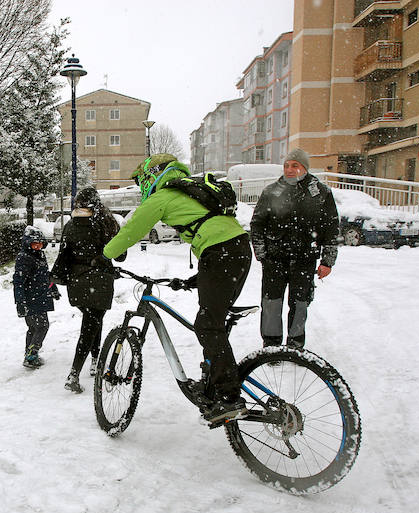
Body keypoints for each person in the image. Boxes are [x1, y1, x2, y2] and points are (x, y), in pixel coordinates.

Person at [101, 153, 252, 424]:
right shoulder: (187, 192)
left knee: (207, 325)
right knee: (212, 321)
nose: (141, 188)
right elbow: (214, 229)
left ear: (152, 176)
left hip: (221, 252)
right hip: (235, 250)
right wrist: (195, 279)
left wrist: (105, 254)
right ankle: (214, 384)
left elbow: (131, 231)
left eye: (142, 181)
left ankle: (229, 398)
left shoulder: (164, 196)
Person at [250, 148, 339, 349]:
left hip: (304, 259)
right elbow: (257, 224)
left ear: (304, 167)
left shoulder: (321, 193)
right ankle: (271, 344)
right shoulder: (272, 191)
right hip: (274, 259)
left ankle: (295, 344)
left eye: (295, 165)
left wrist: (327, 261)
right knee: (271, 303)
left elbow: (331, 229)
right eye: (286, 165)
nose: (289, 170)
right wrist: (262, 253)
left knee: (300, 304)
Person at [58, 188, 123, 393]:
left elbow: (64, 253)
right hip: (99, 280)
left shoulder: (70, 225)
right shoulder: (106, 223)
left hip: (76, 283)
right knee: (91, 324)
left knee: (92, 320)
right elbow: (120, 256)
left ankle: (95, 360)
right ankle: (74, 373)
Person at [14, 226, 60, 370]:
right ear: (27, 243)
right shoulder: (25, 258)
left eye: (40, 244)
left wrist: (53, 288)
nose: (38, 246)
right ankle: (32, 355)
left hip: (40, 297)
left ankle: (29, 354)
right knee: (42, 326)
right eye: (35, 244)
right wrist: (20, 301)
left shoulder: (39, 255)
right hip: (31, 299)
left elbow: (45, 275)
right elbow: (18, 281)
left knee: (34, 328)